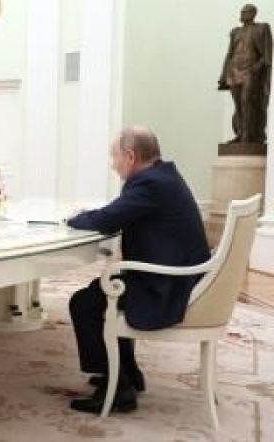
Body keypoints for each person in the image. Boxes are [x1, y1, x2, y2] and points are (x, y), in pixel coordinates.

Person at [66, 126, 210, 414]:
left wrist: (72, 219)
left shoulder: (149, 184)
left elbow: (107, 219)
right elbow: (118, 212)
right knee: (101, 291)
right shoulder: (163, 176)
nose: (113, 164)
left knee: (84, 303)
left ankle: (118, 389)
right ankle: (127, 373)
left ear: (130, 156)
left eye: (114, 157)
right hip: (178, 276)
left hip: (168, 287)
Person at [218, 3, 272, 144]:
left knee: (246, 100)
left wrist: (257, 66)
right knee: (238, 104)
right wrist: (223, 73)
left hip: (250, 71)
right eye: (242, 12)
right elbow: (230, 53)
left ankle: (248, 135)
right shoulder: (235, 32)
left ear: (253, 13)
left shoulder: (262, 28)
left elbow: (266, 54)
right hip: (234, 71)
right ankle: (241, 133)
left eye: (245, 12)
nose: (242, 14)